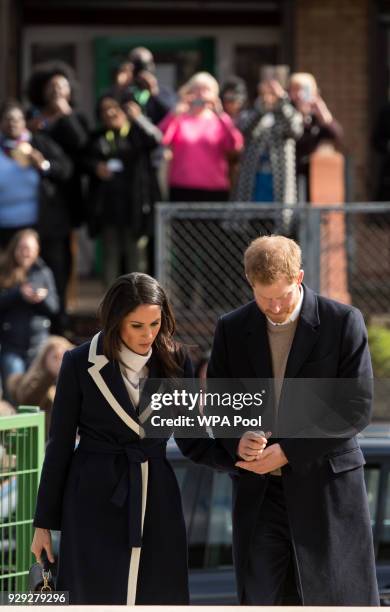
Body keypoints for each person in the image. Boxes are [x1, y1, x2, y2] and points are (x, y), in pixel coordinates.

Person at [31, 272, 236, 605]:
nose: (148, 335)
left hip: (157, 498)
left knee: (158, 595)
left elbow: (192, 440)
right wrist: (44, 523)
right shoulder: (79, 363)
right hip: (93, 498)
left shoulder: (176, 360)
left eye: (155, 323)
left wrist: (240, 457)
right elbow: (60, 445)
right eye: (137, 325)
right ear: (115, 322)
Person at [207, 235, 379, 606]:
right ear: (249, 282)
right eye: (263, 296)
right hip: (260, 495)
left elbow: (356, 407)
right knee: (261, 601)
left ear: (299, 277)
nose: (273, 306)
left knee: (332, 602)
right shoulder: (231, 327)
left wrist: (289, 451)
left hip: (327, 491)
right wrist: (238, 439)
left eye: (282, 295)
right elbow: (220, 406)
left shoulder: (343, 321)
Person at [85, 95, 161, 285]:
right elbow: (83, 160)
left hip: (134, 208)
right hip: (109, 208)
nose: (110, 113)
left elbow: (156, 139)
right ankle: (112, 305)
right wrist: (96, 167)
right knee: (110, 256)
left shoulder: (137, 134)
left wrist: (138, 118)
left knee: (136, 257)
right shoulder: (98, 137)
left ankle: (138, 303)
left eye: (114, 108)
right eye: (104, 110)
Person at [159, 71, 243, 203]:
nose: (201, 94)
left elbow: (235, 144)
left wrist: (222, 115)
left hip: (215, 189)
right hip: (182, 188)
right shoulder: (180, 119)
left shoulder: (220, 121)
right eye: (196, 89)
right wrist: (174, 114)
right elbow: (161, 139)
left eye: (206, 90)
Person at [0, 229, 59, 400]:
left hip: (38, 346)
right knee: (14, 396)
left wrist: (41, 299)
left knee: (38, 397)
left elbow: (54, 308)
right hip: (11, 346)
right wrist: (18, 294)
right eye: (22, 248)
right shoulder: (4, 272)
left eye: (30, 249)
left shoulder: (44, 272)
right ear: (14, 249)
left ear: (37, 251)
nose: (26, 253)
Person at [234, 78, 303, 207]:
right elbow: (246, 129)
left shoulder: (290, 114)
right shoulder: (249, 114)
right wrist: (262, 107)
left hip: (279, 184)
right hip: (252, 181)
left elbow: (295, 130)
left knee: (278, 219)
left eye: (274, 92)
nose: (270, 95)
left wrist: (281, 101)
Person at [288, 72, 343, 200]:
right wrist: (299, 116)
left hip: (311, 173)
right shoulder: (285, 112)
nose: (300, 95)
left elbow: (336, 136)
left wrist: (323, 113)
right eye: (295, 90)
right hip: (288, 171)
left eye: (304, 90)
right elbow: (296, 137)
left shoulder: (315, 117)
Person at [7, 335, 74, 437]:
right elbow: (29, 401)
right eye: (55, 357)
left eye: (63, 357)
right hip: (40, 443)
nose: (59, 361)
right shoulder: (25, 382)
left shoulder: (74, 380)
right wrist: (49, 373)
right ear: (44, 359)